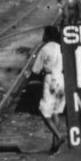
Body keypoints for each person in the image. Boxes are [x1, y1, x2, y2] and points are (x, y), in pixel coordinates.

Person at [30, 25, 66, 154]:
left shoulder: (45, 49)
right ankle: (54, 146)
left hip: (50, 80)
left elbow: (36, 69)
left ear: (46, 35)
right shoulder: (61, 47)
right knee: (56, 111)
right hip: (61, 79)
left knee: (44, 111)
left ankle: (58, 136)